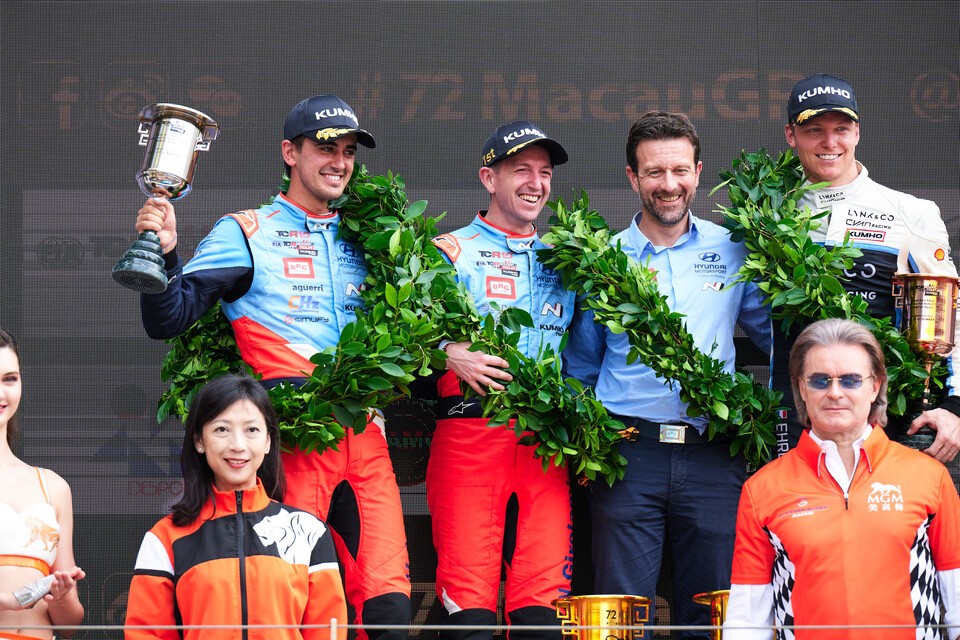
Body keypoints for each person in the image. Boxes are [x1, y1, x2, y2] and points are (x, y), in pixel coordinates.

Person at [133, 95, 410, 640]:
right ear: (290, 152)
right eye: (325, 148)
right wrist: (163, 252)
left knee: (388, 608)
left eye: (349, 151)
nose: (339, 162)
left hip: (366, 440)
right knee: (288, 608)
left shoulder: (376, 237)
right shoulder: (246, 231)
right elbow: (169, 318)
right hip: (292, 443)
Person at [562, 111, 771, 639]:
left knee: (713, 614)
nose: (668, 184)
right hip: (628, 455)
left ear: (698, 172)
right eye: (654, 172)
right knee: (621, 615)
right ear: (632, 177)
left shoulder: (734, 248)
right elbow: (580, 367)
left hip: (714, 452)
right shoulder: (603, 260)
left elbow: (779, 342)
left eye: (679, 170)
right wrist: (590, 444)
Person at [427, 120, 575, 640]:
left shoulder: (566, 260)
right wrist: (446, 352)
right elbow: (397, 337)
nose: (536, 183)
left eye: (545, 172)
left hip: (545, 446)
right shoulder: (448, 251)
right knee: (467, 604)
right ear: (489, 178)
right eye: (521, 170)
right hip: (470, 438)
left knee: (544, 610)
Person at [724, 318, 960, 640]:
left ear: (875, 386)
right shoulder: (762, 489)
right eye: (820, 380)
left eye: (851, 380)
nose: (835, 393)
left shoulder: (929, 476)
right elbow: (747, 623)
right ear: (801, 388)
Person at [771, 73, 960, 464]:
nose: (829, 142)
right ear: (791, 135)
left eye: (841, 129)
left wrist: (956, 406)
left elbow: (952, 316)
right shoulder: (767, 216)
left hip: (890, 422)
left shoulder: (911, 213)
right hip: (795, 421)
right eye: (814, 130)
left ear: (857, 133)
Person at [125, 375, 348, 640]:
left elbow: (327, 631)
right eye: (222, 429)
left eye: (251, 430)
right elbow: (147, 634)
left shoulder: (308, 532)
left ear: (268, 441)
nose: (238, 445)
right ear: (199, 441)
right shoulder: (164, 538)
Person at [0, 328, 85, 640]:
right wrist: (9, 601)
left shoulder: (53, 487)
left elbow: (69, 625)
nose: (1, 393)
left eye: (9, 379)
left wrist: (61, 597)